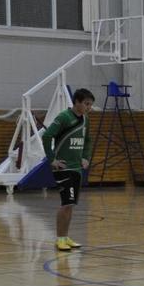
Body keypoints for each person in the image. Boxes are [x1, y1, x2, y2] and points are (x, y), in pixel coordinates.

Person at [42, 88, 94, 251]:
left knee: (70, 204)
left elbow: (88, 140)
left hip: (77, 167)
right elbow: (47, 136)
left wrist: (85, 157)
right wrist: (52, 159)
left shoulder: (85, 119)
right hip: (64, 168)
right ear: (77, 102)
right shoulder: (64, 117)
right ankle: (60, 239)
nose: (89, 107)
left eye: (90, 105)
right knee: (66, 204)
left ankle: (65, 237)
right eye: (86, 104)